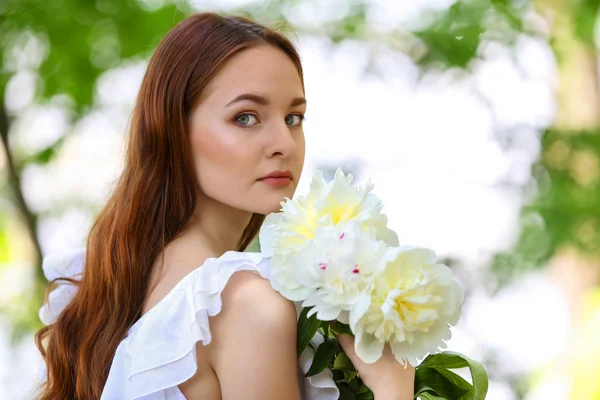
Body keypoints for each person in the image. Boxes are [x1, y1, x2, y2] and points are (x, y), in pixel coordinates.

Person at [35, 12, 415, 400]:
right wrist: (392, 389)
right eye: (246, 117)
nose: (283, 142)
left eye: (293, 117)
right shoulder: (245, 301)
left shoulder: (128, 284)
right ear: (174, 130)